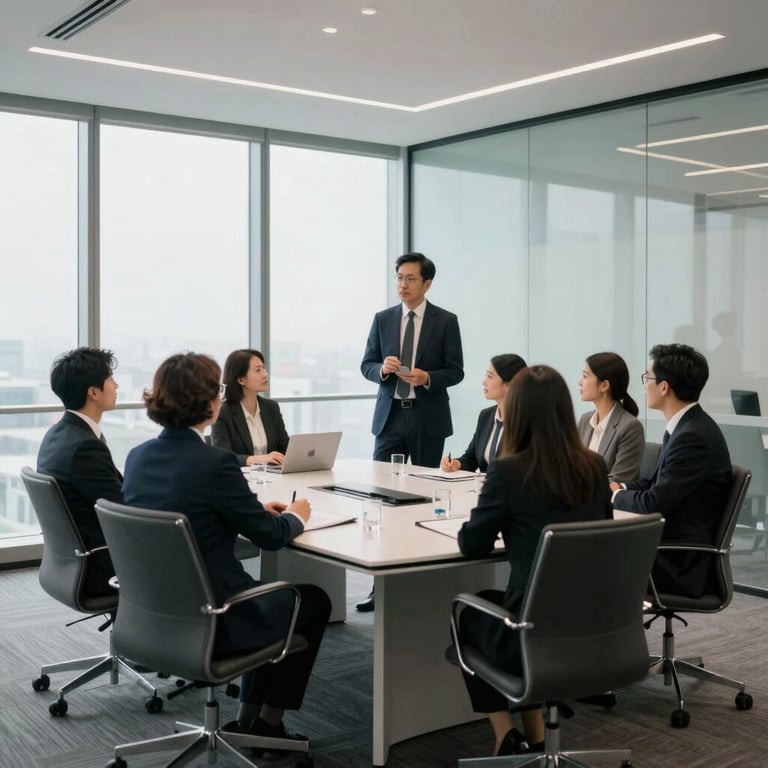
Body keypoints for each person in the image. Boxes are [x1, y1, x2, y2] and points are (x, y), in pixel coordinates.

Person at [122, 352, 331, 745]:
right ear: (209, 401)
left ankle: (248, 717)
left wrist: (253, 510)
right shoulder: (216, 463)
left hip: (150, 613)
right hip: (214, 615)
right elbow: (270, 537)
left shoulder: (138, 457)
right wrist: (296, 517)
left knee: (275, 597)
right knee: (312, 601)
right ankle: (268, 723)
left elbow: (188, 507)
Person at [457, 365, 612, 757]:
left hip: (528, 630)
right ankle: (538, 738)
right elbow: (603, 537)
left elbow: (472, 544)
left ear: (519, 412)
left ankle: (504, 735)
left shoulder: (508, 470)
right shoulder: (594, 467)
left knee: (469, 614)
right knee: (508, 602)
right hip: (593, 626)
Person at [358, 252, 464, 612]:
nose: (402, 285)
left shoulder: (445, 321)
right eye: (399, 278)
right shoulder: (383, 319)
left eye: (410, 279)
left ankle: (421, 581)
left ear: (427, 283)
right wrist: (383, 370)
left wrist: (428, 377)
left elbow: (456, 370)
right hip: (390, 419)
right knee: (382, 499)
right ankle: (379, 586)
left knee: (423, 499)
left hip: (426, 418)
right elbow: (366, 365)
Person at [611, 343, 732, 598]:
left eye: (647, 378)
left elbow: (653, 503)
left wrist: (613, 496)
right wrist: (619, 487)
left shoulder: (692, 437)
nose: (644, 386)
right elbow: (653, 484)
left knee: (584, 561)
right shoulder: (687, 427)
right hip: (664, 548)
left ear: (664, 387)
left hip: (676, 563)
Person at [36, 347, 123, 596]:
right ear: (93, 392)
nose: (116, 385)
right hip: (101, 567)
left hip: (71, 562)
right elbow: (123, 510)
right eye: (111, 380)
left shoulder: (58, 434)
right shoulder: (84, 447)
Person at [440, 354, 527, 473]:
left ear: (509, 385)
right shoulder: (486, 415)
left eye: (490, 377)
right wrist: (455, 463)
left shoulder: (526, 422)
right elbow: (471, 458)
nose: (484, 382)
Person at [211, 349, 289, 467]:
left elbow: (285, 447)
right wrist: (256, 459)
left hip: (273, 475)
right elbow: (222, 457)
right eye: (258, 370)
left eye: (264, 368)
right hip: (241, 476)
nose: (265, 374)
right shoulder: (222, 412)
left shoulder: (271, 407)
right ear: (241, 380)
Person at [577, 352, 645, 483]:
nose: (580, 382)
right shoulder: (585, 420)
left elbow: (618, 480)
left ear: (604, 385)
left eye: (585, 376)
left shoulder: (630, 427)